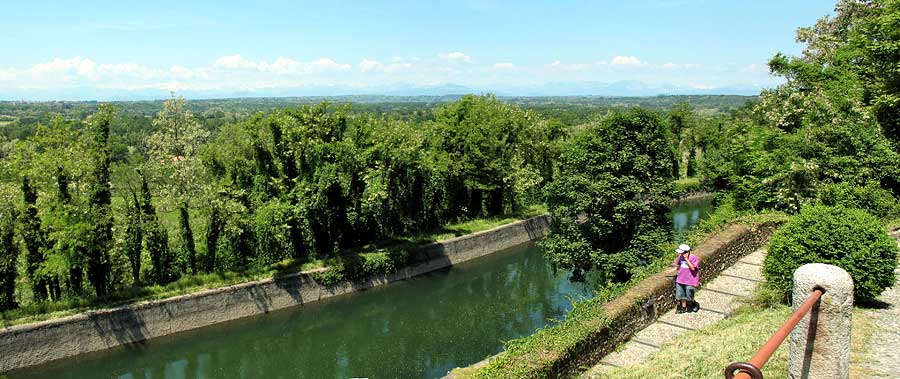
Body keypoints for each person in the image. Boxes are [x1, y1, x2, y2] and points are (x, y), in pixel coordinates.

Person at [665, 243, 700, 313]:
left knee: (689, 294)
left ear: (687, 252)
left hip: (690, 280)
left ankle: (693, 303)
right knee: (681, 294)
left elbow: (693, 268)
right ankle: (684, 307)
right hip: (680, 279)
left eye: (682, 253)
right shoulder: (680, 257)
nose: (681, 254)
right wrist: (671, 270)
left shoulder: (694, 258)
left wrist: (686, 259)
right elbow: (679, 266)